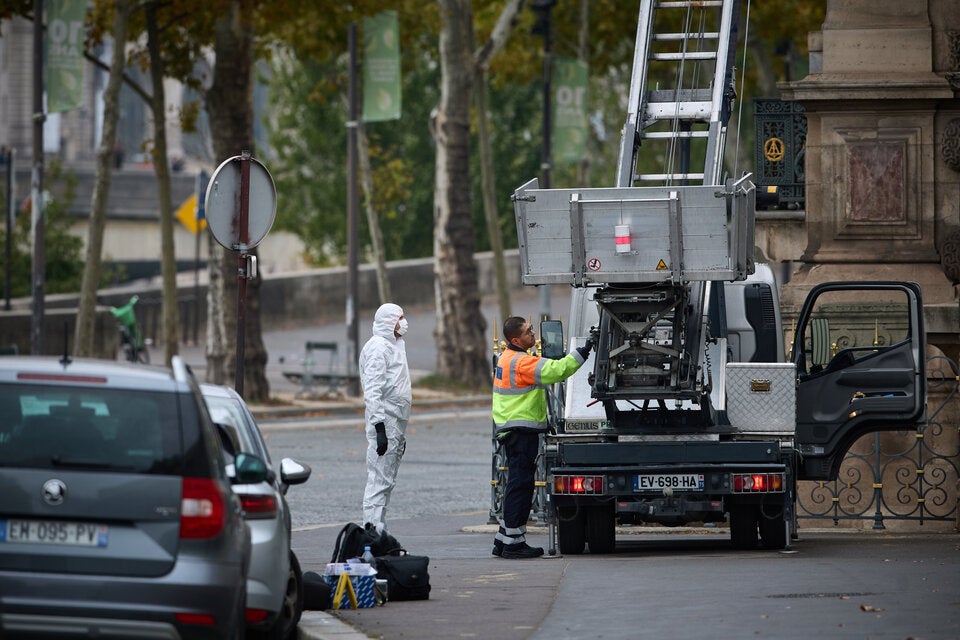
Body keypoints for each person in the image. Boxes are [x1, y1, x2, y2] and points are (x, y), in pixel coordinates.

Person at [492, 316, 593, 559]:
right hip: (521, 431)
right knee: (521, 487)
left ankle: (503, 539)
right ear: (516, 339)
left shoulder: (509, 357)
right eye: (528, 332)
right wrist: (584, 350)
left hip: (513, 429)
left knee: (515, 485)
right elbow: (557, 371)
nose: (533, 335)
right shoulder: (521, 362)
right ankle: (514, 545)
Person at [359, 303, 412, 533]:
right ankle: (371, 531)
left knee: (386, 481)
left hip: (395, 424)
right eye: (400, 318)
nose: (404, 322)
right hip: (386, 423)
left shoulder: (395, 346)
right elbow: (373, 390)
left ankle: (379, 531)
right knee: (379, 481)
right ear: (389, 321)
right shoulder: (378, 348)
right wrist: (379, 427)